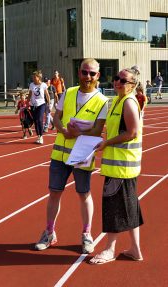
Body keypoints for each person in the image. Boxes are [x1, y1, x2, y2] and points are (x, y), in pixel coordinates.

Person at [34, 58, 108, 253]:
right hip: (60, 153)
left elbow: (98, 130)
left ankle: (86, 234)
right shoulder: (69, 92)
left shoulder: (102, 101)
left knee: (84, 194)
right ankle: (49, 232)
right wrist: (63, 130)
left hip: (83, 155)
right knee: (54, 193)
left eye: (92, 73)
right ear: (79, 72)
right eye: (85, 72)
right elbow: (56, 117)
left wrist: (78, 133)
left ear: (98, 76)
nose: (88, 77)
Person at [90, 67, 144, 265]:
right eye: (116, 78)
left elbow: (132, 133)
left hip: (121, 167)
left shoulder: (128, 103)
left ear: (132, 85)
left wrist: (106, 143)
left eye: (123, 80)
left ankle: (109, 250)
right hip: (121, 166)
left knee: (113, 208)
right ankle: (135, 249)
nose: (117, 82)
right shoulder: (117, 101)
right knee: (130, 207)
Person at [27, 70, 50, 144]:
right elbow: (30, 95)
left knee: (39, 119)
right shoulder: (31, 85)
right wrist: (27, 103)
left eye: (34, 77)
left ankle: (41, 136)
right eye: (33, 77)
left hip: (41, 104)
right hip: (33, 105)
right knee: (35, 121)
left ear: (38, 77)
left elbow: (47, 95)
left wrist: (48, 105)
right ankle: (38, 136)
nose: (33, 78)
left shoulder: (43, 85)